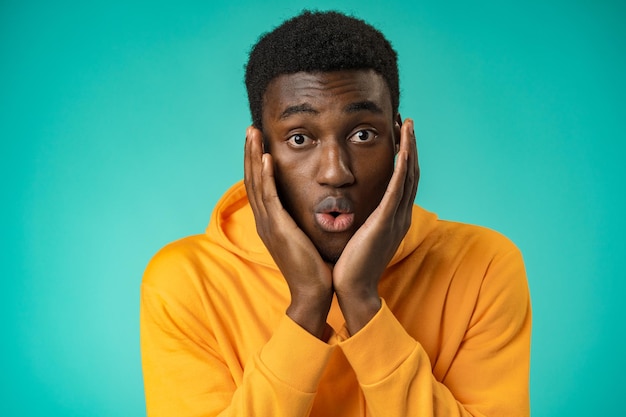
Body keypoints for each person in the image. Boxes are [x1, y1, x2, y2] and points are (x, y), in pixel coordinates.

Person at [140, 10, 531, 417]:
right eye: (300, 138)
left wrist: (362, 302)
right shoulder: (185, 282)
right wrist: (307, 305)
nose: (335, 172)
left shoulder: (483, 266)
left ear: (399, 142)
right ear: (259, 152)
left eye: (363, 135)